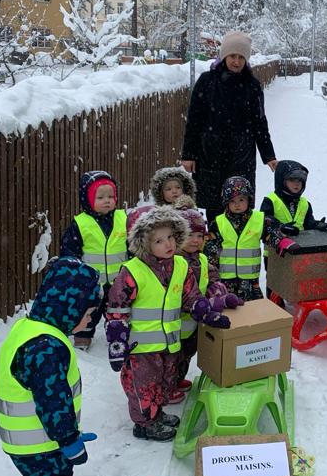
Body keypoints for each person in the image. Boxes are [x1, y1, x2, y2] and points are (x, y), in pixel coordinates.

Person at [0, 257, 100, 476]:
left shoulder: (31, 328)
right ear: (69, 308)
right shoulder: (46, 348)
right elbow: (53, 402)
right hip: (40, 441)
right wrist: (69, 440)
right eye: (88, 313)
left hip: (24, 441)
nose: (90, 320)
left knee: (39, 475)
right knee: (54, 474)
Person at [105, 206, 221, 441]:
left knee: (163, 381)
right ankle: (144, 424)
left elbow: (191, 296)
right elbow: (117, 309)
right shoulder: (133, 271)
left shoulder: (180, 265)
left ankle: (156, 414)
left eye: (170, 236)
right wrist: (117, 343)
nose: (168, 244)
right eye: (158, 241)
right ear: (144, 244)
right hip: (141, 348)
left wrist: (206, 312)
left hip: (170, 342)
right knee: (143, 385)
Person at [179, 30, 277, 217]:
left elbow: (260, 123)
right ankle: (214, 235)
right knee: (215, 208)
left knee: (240, 206)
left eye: (241, 57)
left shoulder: (252, 86)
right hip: (210, 155)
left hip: (242, 155)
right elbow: (194, 121)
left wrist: (269, 155)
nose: (236, 62)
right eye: (233, 56)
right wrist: (189, 154)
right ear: (224, 55)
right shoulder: (207, 81)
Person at [174, 207, 243, 397]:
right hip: (177, 321)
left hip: (197, 320)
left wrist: (220, 294)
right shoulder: (174, 261)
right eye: (190, 235)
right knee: (172, 358)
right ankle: (168, 386)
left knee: (187, 353)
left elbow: (212, 279)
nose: (195, 240)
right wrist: (209, 305)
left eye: (199, 236)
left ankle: (177, 379)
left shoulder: (202, 259)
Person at [59, 170, 127, 349]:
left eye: (111, 196)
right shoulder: (80, 224)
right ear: (88, 199)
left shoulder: (123, 219)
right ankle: (83, 336)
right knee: (88, 310)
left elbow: (133, 245)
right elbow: (70, 251)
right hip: (91, 283)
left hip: (119, 280)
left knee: (118, 311)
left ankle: (117, 336)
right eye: (100, 197)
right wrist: (74, 272)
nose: (107, 201)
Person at [203, 176, 298, 302]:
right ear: (226, 202)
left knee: (253, 308)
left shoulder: (259, 220)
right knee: (229, 307)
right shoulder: (219, 223)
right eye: (232, 201)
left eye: (241, 200)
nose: (237, 204)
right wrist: (210, 269)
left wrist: (282, 242)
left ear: (249, 199)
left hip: (250, 281)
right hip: (226, 280)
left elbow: (272, 232)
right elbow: (211, 247)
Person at [259, 160, 327, 233]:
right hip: (278, 239)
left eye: (300, 180)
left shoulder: (305, 204)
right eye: (292, 179)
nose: (297, 184)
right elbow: (265, 221)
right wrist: (281, 227)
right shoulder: (270, 201)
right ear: (282, 180)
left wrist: (316, 225)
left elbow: (308, 224)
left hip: (302, 240)